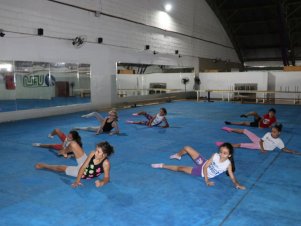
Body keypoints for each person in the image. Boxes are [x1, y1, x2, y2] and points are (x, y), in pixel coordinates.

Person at [151, 143, 245, 189]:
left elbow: (232, 176)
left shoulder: (228, 164)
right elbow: (205, 166)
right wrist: (207, 181)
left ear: (229, 155)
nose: (221, 154)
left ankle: (162, 165)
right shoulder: (215, 155)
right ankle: (178, 155)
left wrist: (237, 184)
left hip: (202, 173)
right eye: (221, 151)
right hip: (203, 164)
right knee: (187, 148)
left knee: (181, 168)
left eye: (224, 153)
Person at [35, 141, 114, 188]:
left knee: (60, 168)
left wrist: (102, 183)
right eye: (96, 150)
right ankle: (64, 151)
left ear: (104, 155)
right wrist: (77, 181)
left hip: (85, 174)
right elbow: (83, 167)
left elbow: (107, 178)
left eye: (98, 151)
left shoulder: (106, 163)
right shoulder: (93, 153)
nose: (95, 152)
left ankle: (45, 165)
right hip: (83, 166)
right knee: (73, 144)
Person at [217, 124, 300, 154]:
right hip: (259, 141)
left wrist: (293, 151)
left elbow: (284, 149)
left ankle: (223, 145)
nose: (272, 133)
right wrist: (263, 149)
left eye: (274, 132)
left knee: (240, 145)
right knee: (245, 131)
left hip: (258, 146)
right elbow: (261, 141)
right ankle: (230, 129)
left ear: (279, 133)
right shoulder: (268, 134)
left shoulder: (279, 141)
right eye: (272, 131)